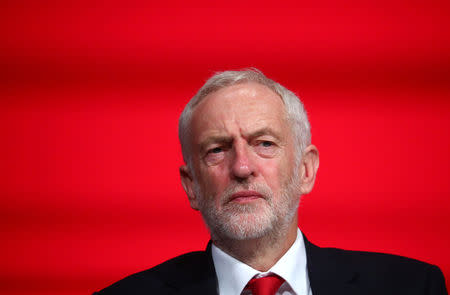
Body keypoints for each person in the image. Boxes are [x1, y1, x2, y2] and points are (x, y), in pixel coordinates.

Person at [95, 69, 447, 295]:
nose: (243, 167)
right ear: (191, 186)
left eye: (264, 143)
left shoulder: (412, 287)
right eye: (217, 150)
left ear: (306, 170)